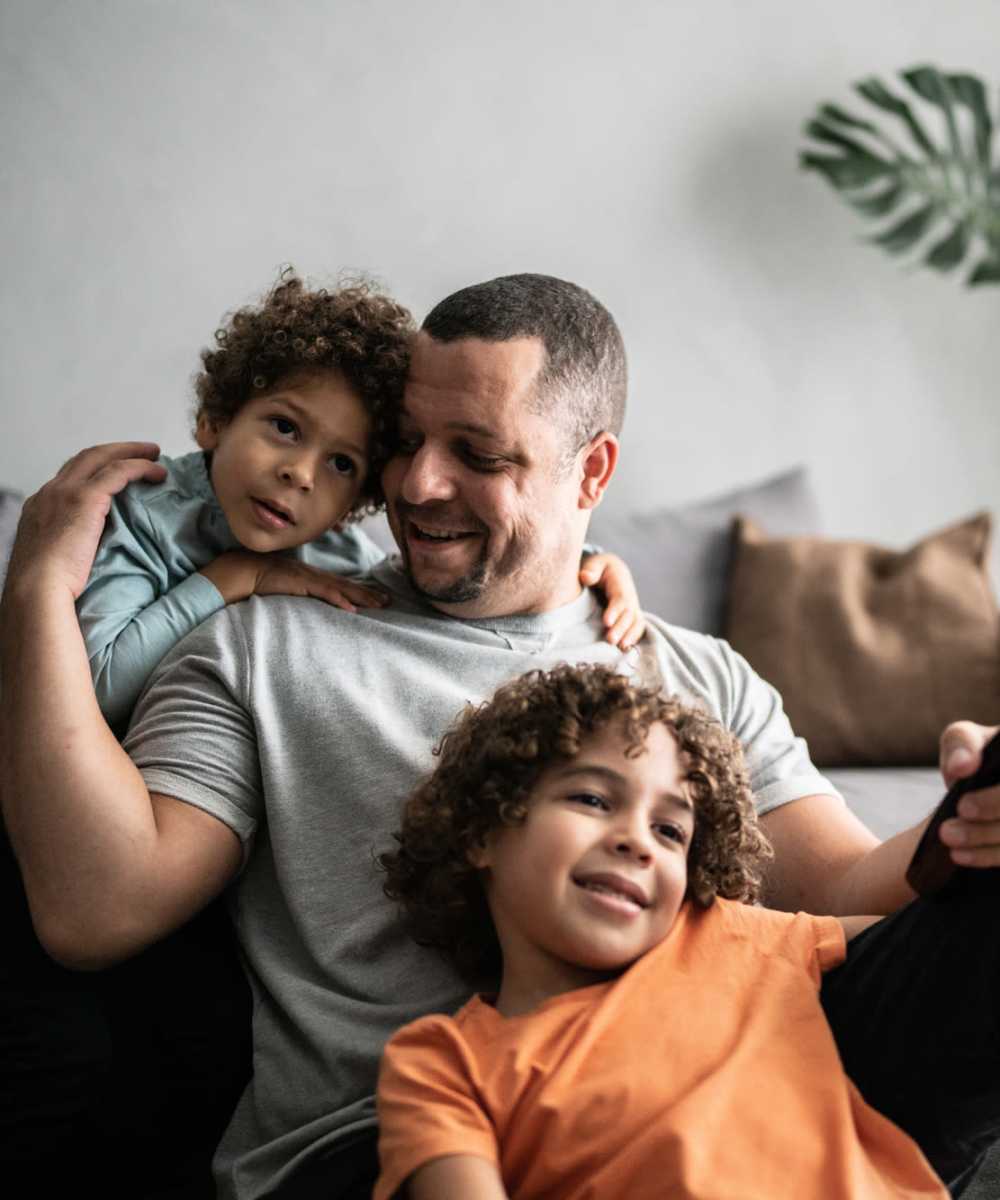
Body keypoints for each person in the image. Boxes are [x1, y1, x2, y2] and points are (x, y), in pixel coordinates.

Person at [2, 272, 1000, 1200]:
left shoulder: (694, 671)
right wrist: (40, 590)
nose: (418, 485)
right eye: (405, 440)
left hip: (710, 1104)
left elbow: (844, 897)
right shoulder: (266, 641)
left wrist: (969, 817)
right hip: (398, 1139)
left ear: (590, 472)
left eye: (478, 455)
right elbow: (95, 910)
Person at [375, 662, 946, 1199]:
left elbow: (944, 936)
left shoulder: (730, 932)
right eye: (593, 798)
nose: (637, 841)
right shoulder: (442, 1066)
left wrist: (967, 811)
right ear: (481, 833)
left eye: (670, 831)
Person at [78, 270, 643, 732]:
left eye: (342, 464)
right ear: (215, 419)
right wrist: (236, 577)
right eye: (284, 427)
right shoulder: (143, 516)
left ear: (359, 496)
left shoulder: (325, 543)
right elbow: (93, 688)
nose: (300, 475)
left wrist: (587, 565)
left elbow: (441, 571)